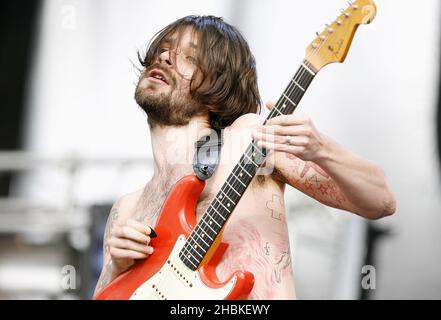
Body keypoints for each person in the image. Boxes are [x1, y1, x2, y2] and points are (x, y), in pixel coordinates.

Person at [93, 15, 396, 299]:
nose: (164, 57)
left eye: (189, 56)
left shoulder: (250, 140)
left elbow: (381, 201)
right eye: (163, 49)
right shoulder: (127, 208)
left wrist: (321, 148)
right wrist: (118, 268)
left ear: (217, 88)